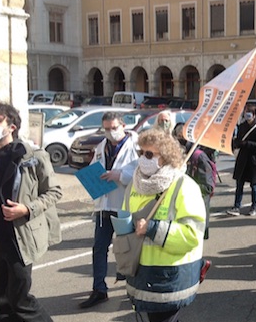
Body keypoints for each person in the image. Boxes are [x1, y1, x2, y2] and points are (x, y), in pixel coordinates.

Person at [124, 128, 210, 322]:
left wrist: (152, 228)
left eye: (149, 154)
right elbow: (127, 220)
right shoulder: (135, 184)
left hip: (169, 277)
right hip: (140, 274)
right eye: (140, 153)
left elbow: (192, 235)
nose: (142, 159)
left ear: (165, 156)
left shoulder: (185, 186)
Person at [0, 102, 62, 322]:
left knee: (20, 299)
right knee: (0, 301)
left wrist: (26, 209)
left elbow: (54, 192)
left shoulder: (32, 156)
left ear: (11, 126)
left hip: (18, 238)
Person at [79, 112, 139, 308]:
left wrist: (119, 175)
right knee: (99, 247)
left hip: (124, 206)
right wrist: (94, 177)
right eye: (106, 128)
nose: (110, 132)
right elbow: (94, 167)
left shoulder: (135, 146)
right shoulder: (101, 147)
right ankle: (99, 289)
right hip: (104, 206)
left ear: (122, 125)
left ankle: (134, 288)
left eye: (113, 128)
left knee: (128, 248)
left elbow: (141, 174)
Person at [227, 104, 256, 216]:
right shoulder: (242, 126)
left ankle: (254, 207)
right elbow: (238, 140)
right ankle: (236, 206)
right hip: (242, 159)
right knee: (239, 184)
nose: (247, 114)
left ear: (254, 114)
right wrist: (236, 143)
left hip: (254, 160)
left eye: (249, 112)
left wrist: (247, 144)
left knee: (254, 185)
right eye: (245, 112)